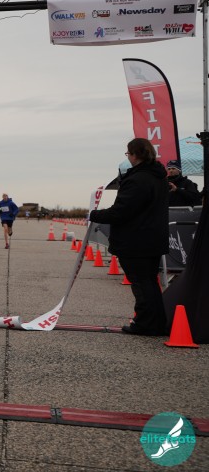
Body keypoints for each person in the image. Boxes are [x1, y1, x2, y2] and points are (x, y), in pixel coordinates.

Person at [89, 138, 169, 336]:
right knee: (150, 282)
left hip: (136, 240)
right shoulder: (159, 177)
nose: (128, 157)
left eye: (128, 154)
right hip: (153, 238)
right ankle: (157, 322)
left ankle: (145, 324)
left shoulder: (137, 179)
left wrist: (94, 214)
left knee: (141, 283)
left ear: (135, 155)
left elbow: (122, 211)